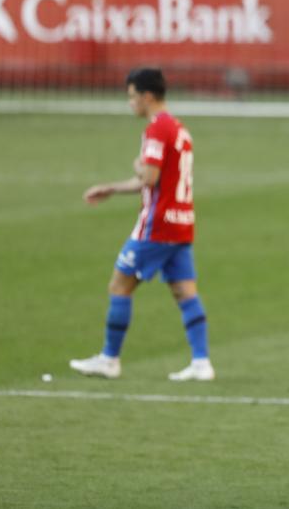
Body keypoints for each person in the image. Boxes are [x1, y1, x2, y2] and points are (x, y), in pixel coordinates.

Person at [70, 68, 212, 382]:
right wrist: (111, 188)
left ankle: (109, 359)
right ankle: (202, 363)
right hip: (182, 222)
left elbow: (148, 177)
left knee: (119, 285)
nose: (130, 103)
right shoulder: (179, 128)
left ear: (147, 96)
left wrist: (135, 167)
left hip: (157, 226)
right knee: (184, 291)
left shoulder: (157, 129)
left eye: (132, 96)